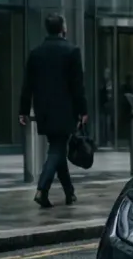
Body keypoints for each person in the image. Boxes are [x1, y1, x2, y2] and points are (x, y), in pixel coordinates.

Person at [19, 12, 88, 209]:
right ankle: (42, 189)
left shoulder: (36, 52)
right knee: (57, 149)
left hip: (43, 111)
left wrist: (23, 110)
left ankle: (70, 193)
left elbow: (27, 85)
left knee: (57, 148)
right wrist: (83, 110)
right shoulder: (72, 51)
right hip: (65, 109)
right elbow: (77, 86)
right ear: (63, 29)